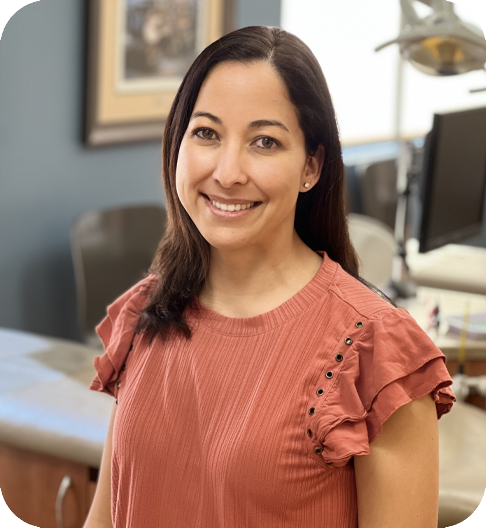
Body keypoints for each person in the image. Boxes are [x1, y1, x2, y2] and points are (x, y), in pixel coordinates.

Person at [84, 26, 455, 528]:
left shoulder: (376, 355)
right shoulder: (144, 313)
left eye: (265, 141)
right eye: (207, 133)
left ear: (312, 165)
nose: (229, 171)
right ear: (178, 142)